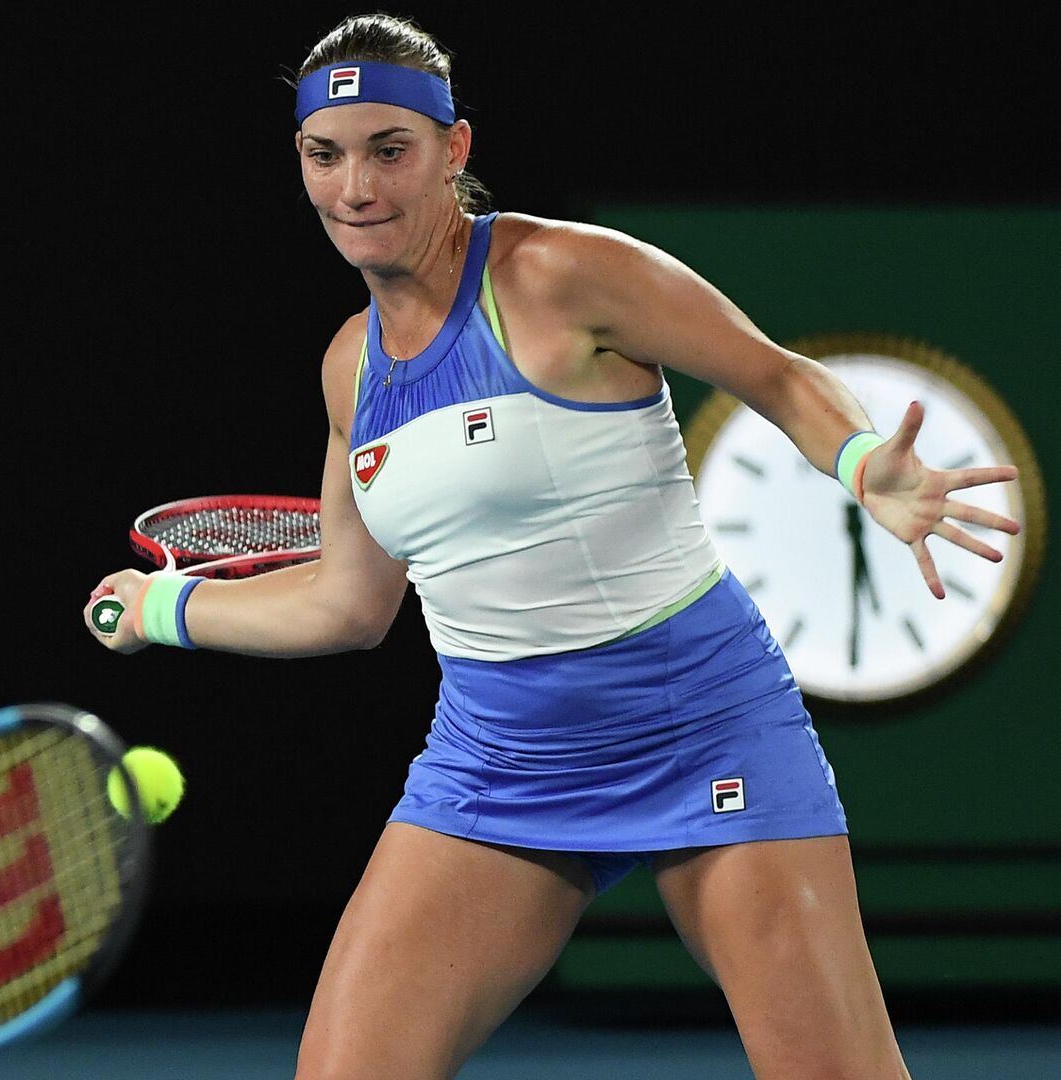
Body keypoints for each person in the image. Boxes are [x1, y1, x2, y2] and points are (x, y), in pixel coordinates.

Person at [85, 14, 1021, 1080]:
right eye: (325, 154)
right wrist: (155, 609)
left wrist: (862, 462)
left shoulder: (564, 274)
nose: (356, 187)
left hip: (700, 729)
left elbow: (774, 374)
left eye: (390, 150)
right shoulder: (352, 370)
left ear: (455, 149)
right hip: (498, 764)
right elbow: (346, 603)